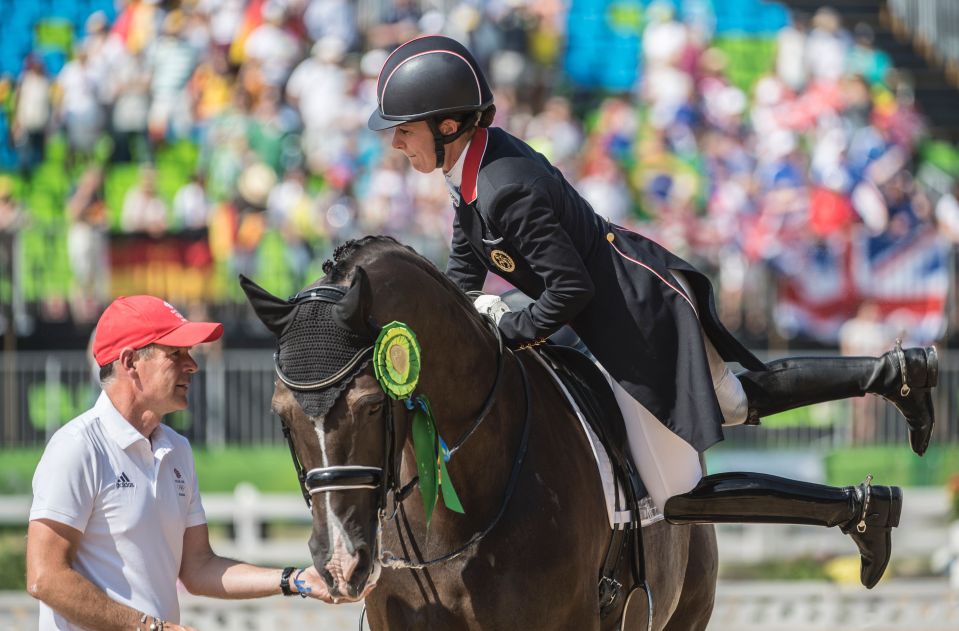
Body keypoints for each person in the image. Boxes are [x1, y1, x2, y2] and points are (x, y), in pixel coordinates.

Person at [367, 35, 939, 589]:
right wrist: (442, 324)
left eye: (404, 130)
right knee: (739, 401)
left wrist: (505, 329)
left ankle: (856, 510)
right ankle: (895, 373)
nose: (396, 143)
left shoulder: (504, 187)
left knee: (677, 498)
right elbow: (467, 263)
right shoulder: (470, 169)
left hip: (635, 323)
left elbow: (569, 291)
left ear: (448, 126)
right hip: (632, 299)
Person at [26, 295, 334, 630]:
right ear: (129, 362)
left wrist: (296, 579)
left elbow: (198, 568)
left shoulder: (177, 449)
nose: (192, 364)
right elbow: (45, 578)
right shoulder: (77, 447)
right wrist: (152, 628)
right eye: (175, 353)